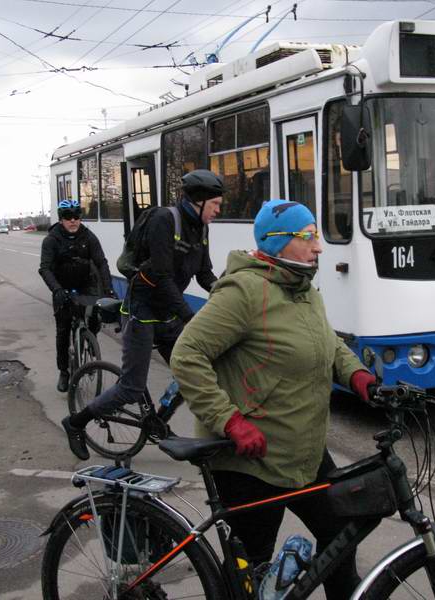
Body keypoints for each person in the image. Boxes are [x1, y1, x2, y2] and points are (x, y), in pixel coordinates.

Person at [169, 199, 377, 600]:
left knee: (340, 538)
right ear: (279, 242)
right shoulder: (243, 292)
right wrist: (231, 421)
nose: (319, 247)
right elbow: (187, 355)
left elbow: (328, 343)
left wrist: (360, 377)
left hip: (304, 450)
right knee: (251, 574)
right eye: (310, 237)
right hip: (252, 461)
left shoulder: (304, 290)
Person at [62, 169, 224, 459]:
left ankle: (157, 422)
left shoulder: (200, 227)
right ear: (198, 202)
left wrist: (226, 291)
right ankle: (75, 423)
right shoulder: (165, 220)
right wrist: (190, 316)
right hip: (143, 310)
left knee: (195, 371)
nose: (218, 210)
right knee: (131, 388)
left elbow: (204, 272)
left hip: (166, 313)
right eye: (215, 204)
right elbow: (161, 277)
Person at [39, 199, 114, 393]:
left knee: (94, 319)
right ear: (61, 218)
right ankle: (64, 372)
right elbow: (45, 268)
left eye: (76, 216)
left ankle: (88, 342)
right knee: (63, 331)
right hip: (61, 286)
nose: (73, 220)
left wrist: (108, 290)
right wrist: (56, 289)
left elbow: (102, 262)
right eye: (67, 217)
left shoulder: (88, 237)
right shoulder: (51, 239)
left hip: (85, 285)